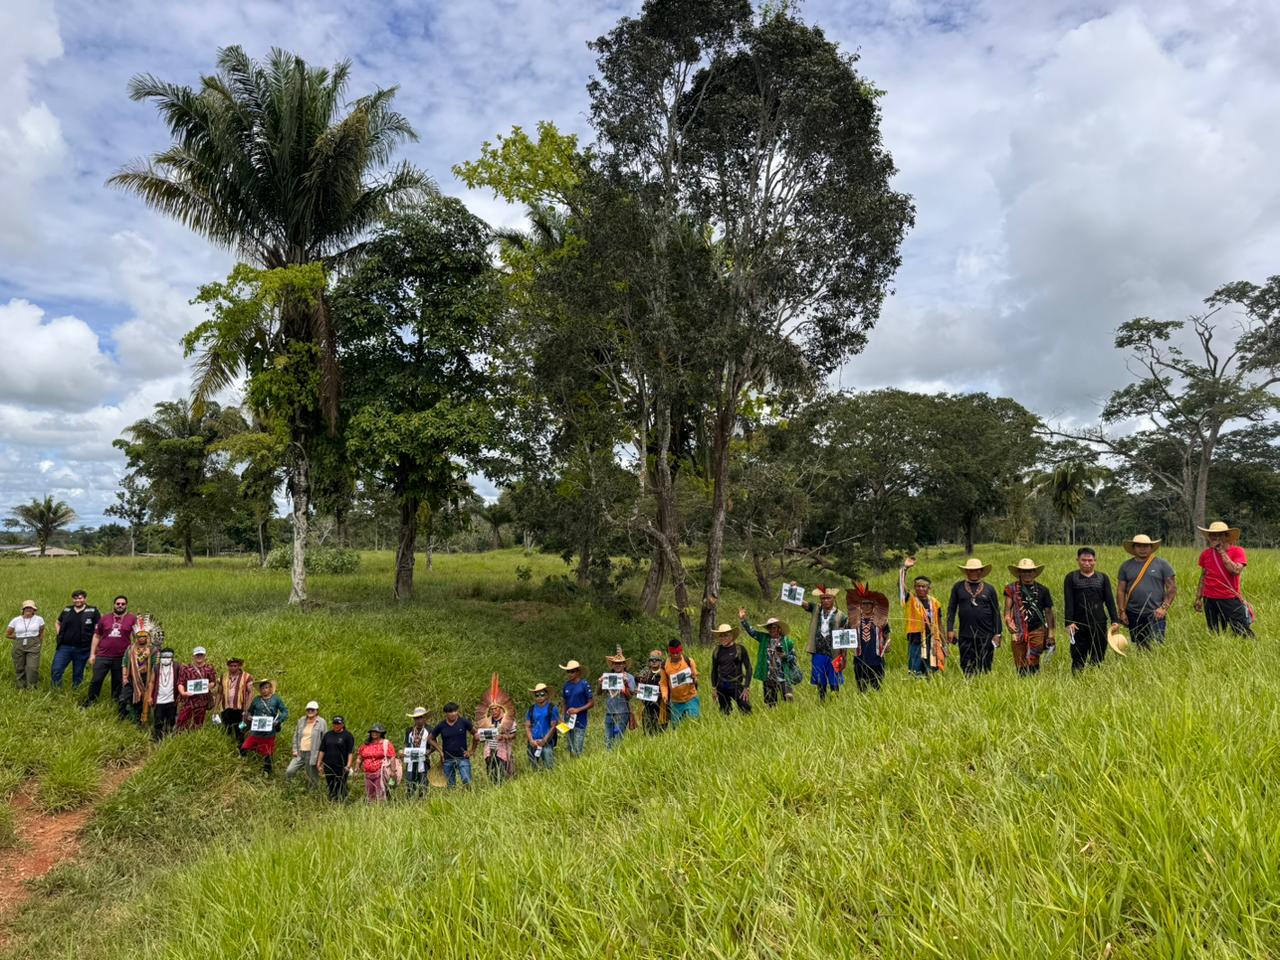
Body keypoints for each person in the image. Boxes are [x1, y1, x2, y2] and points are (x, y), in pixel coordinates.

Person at [1062, 548, 1121, 671]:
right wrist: (1069, 622)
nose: (1087, 563)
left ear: (1095, 561)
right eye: (1083, 560)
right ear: (1078, 560)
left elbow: (1109, 601)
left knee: (1098, 654)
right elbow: (1069, 601)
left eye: (1090, 560)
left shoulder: (1103, 578)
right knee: (1078, 655)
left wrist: (1115, 620)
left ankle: (1095, 677)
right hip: (1078, 624)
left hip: (1099, 622)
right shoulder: (1071, 577)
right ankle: (1077, 679)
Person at [1116, 535, 1176, 648]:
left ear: (1151, 547)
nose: (1142, 549)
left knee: (1157, 644)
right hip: (1133, 612)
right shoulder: (1126, 566)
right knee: (1140, 645)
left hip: (1156, 613)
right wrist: (1122, 611)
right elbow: (1121, 590)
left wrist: (1164, 608)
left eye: (1145, 546)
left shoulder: (1162, 564)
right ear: (1133, 548)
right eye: (1139, 546)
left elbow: (1172, 588)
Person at [1195, 521, 1254, 637]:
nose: (1214, 537)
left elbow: (1235, 571)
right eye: (1212, 535)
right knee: (1215, 632)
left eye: (1218, 535)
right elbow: (1203, 576)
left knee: (1242, 631)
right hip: (1209, 598)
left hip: (1229, 598)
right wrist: (1198, 598)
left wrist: (1221, 551)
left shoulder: (1237, 551)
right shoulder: (1205, 554)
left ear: (1226, 536)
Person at [946, 558, 1002, 676]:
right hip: (965, 634)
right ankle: (969, 688)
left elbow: (996, 612)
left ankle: (984, 687)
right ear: (966, 572)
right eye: (971, 571)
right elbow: (951, 609)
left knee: (985, 665)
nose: (974, 573)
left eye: (977, 570)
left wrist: (998, 634)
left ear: (981, 571)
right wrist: (950, 629)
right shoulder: (958, 587)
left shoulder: (989, 589)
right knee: (966, 665)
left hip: (986, 634)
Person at [796, 583, 848, 700]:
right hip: (818, 651)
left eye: (828, 598)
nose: (825, 601)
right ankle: (822, 701)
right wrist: (793, 589)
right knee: (820, 680)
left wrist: (844, 657)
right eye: (823, 598)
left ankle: (835, 702)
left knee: (834, 681)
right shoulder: (816, 609)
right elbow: (802, 603)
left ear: (834, 599)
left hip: (834, 653)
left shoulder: (841, 616)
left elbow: (845, 638)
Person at [1004, 558, 1056, 675]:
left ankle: (1034, 682)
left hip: (1037, 629)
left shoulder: (1043, 590)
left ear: (1034, 572)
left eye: (1030, 571)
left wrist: (1051, 633)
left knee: (1034, 659)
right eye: (1024, 571)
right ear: (1019, 572)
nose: (1027, 574)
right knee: (1020, 661)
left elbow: (1049, 612)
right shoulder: (1011, 589)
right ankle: (1022, 685)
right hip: (1018, 630)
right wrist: (1008, 622)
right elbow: (1007, 611)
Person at [84, 595, 136, 709]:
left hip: (121, 657)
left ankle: (116, 703)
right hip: (103, 655)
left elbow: (134, 637)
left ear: (126, 605)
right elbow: (97, 635)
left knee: (117, 682)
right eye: (118, 603)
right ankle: (90, 702)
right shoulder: (105, 618)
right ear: (114, 605)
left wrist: (132, 655)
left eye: (123, 604)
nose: (120, 606)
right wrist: (92, 654)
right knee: (96, 680)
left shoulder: (132, 619)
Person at [738, 611, 798, 706]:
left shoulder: (787, 642)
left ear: (779, 629)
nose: (771, 629)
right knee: (770, 703)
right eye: (769, 627)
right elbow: (752, 632)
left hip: (783, 677)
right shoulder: (764, 638)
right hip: (768, 675)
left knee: (788, 701)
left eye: (774, 627)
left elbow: (794, 658)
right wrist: (743, 620)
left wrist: (785, 656)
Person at [900, 559, 945, 677]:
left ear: (929, 588)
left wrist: (944, 643)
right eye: (918, 586)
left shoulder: (935, 603)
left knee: (932, 669)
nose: (920, 589)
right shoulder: (911, 599)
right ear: (914, 588)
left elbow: (940, 623)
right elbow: (900, 586)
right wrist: (905, 569)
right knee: (915, 669)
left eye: (923, 586)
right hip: (916, 639)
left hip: (933, 639)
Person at [52, 590, 99, 689]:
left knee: (78, 674)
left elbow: (98, 628)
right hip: (64, 647)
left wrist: (94, 649)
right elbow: (57, 622)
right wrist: (59, 633)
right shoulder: (67, 610)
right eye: (75, 598)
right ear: (72, 599)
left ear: (85, 599)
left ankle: (75, 692)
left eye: (80, 598)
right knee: (56, 669)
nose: (78, 600)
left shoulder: (92, 610)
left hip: (82, 648)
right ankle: (56, 691)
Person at [848, 585, 891, 691]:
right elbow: (845, 638)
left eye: (869, 604)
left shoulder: (881, 620)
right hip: (860, 659)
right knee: (862, 689)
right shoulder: (853, 621)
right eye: (863, 604)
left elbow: (886, 635)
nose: (866, 606)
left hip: (876, 659)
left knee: (877, 688)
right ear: (860, 605)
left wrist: (887, 644)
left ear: (873, 605)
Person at [241, 679, 289, 775]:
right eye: (262, 688)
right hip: (256, 730)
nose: (264, 690)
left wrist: (278, 720)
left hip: (269, 731)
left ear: (270, 688)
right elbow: (250, 711)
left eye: (266, 687)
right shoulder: (256, 700)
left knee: (268, 751)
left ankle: (267, 771)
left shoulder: (276, 699)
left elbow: (285, 711)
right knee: (245, 746)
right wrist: (249, 716)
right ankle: (243, 766)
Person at [429, 703, 476, 788]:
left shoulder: (463, 722)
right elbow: (430, 739)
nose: (454, 713)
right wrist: (440, 751)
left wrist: (472, 750)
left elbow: (476, 735)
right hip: (447, 758)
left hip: (462, 757)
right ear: (446, 713)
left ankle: (468, 798)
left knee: (467, 781)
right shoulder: (441, 725)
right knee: (450, 785)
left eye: (455, 711)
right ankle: (454, 799)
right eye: (451, 711)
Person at [709, 624, 752, 715]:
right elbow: (714, 670)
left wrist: (746, 687)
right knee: (724, 712)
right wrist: (714, 688)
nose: (723, 638)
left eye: (726, 635)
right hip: (721, 685)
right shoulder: (717, 651)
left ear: (731, 636)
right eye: (721, 635)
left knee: (746, 709)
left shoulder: (740, 649)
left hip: (736, 685)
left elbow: (749, 668)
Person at [598, 647, 636, 748]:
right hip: (609, 712)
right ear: (612, 665)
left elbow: (630, 696)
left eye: (620, 663)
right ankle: (608, 761)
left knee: (618, 740)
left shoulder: (629, 677)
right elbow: (599, 693)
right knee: (607, 740)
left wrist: (626, 684)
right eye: (615, 663)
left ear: (624, 664)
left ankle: (617, 760)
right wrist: (600, 683)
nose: (618, 665)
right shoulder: (608, 677)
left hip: (622, 713)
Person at [286, 701, 327, 789]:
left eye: (312, 710)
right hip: (300, 753)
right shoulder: (301, 720)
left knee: (312, 776)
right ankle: (289, 788)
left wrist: (322, 756)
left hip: (312, 754)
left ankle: (313, 793)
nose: (310, 711)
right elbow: (296, 736)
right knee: (290, 770)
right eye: (308, 710)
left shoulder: (321, 722)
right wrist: (295, 750)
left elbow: (324, 739)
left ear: (317, 711)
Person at [176, 646, 218, 730]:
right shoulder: (187, 669)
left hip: (202, 700)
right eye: (197, 655)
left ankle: (195, 737)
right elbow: (180, 682)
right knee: (182, 720)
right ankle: (180, 736)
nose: (199, 657)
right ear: (193, 656)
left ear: (205, 656)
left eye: (201, 655)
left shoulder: (209, 669)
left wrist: (210, 686)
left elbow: (213, 682)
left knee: (198, 722)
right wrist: (183, 693)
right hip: (189, 699)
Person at [559, 660, 594, 757]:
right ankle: (572, 768)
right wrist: (563, 715)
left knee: (578, 749)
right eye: (568, 671)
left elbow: (591, 703)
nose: (570, 674)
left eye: (572, 671)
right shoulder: (566, 685)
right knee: (570, 748)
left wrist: (578, 710)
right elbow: (565, 702)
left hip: (580, 721)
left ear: (578, 672)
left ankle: (579, 768)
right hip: (568, 721)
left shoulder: (584, 684)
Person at [659, 643, 701, 726]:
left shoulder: (688, 661)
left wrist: (694, 677)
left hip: (691, 697)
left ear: (681, 651)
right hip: (676, 701)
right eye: (673, 653)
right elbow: (663, 683)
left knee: (694, 722)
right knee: (677, 726)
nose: (675, 655)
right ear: (669, 652)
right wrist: (665, 695)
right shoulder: (664, 666)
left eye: (677, 653)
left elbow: (695, 676)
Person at [477, 701, 518, 783]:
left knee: (504, 770)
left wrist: (504, 736)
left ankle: (504, 786)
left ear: (501, 708)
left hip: (503, 749)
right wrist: (483, 736)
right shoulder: (486, 721)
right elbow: (480, 737)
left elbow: (514, 735)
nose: (493, 711)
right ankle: (494, 786)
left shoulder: (508, 720)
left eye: (496, 708)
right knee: (491, 770)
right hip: (490, 750)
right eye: (491, 709)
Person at [8, 600, 45, 691]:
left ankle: (32, 688)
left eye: (31, 608)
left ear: (34, 610)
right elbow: (8, 634)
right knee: (19, 667)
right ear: (23, 609)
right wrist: (20, 637)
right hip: (19, 644)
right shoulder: (16, 620)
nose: (28, 609)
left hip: (34, 644)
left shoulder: (39, 619)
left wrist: (38, 642)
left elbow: (41, 631)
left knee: (32, 668)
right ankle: (21, 687)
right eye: (26, 608)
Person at [317, 715, 355, 802]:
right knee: (330, 784)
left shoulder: (347, 735)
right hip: (328, 764)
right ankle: (332, 801)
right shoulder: (328, 735)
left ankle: (342, 802)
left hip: (341, 765)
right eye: (334, 724)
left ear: (342, 724)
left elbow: (350, 752)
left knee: (340, 785)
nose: (336, 725)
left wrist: (348, 765)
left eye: (338, 724)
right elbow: (322, 750)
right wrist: (319, 763)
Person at [219, 658, 255, 748]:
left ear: (239, 666)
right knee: (227, 728)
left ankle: (241, 749)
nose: (233, 668)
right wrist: (216, 709)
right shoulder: (223, 676)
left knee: (240, 730)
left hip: (239, 708)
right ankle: (228, 746)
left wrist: (247, 708)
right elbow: (219, 692)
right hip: (226, 707)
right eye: (231, 666)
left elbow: (250, 693)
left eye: (235, 666)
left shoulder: (247, 677)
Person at [122, 628, 155, 724]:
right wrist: (124, 677)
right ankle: (131, 719)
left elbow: (155, 666)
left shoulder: (153, 650)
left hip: (147, 678)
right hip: (132, 679)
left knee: (144, 700)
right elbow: (125, 662)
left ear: (147, 637)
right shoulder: (130, 649)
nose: (141, 638)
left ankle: (144, 720)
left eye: (143, 636)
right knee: (128, 698)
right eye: (139, 636)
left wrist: (152, 681)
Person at [358, 725, 399, 802]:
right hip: (367, 774)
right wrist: (357, 767)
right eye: (373, 732)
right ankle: (372, 809)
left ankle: (381, 809)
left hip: (380, 772)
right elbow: (360, 757)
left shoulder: (385, 743)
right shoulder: (366, 744)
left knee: (381, 792)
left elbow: (392, 757)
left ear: (381, 733)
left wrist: (393, 771)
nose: (374, 733)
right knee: (370, 793)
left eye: (377, 732)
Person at [524, 684, 560, 770]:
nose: (539, 697)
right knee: (533, 767)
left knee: (549, 767)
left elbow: (553, 726)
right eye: (537, 695)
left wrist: (544, 741)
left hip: (547, 742)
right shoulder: (531, 709)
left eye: (542, 694)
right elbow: (527, 726)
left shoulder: (552, 708)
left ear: (547, 695)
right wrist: (531, 740)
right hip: (533, 742)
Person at [147, 647, 179, 739]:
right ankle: (157, 739)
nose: (166, 659)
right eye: (164, 656)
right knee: (158, 722)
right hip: (159, 700)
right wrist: (150, 697)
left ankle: (169, 739)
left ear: (172, 657)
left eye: (168, 656)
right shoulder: (156, 668)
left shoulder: (177, 666)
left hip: (172, 700)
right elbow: (152, 682)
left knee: (171, 721)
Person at [633, 653, 667, 734]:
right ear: (649, 662)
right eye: (652, 660)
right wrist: (638, 691)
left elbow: (667, 687)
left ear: (660, 661)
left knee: (661, 731)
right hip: (647, 706)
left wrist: (661, 694)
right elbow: (637, 682)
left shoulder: (664, 673)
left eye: (657, 660)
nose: (654, 661)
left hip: (661, 706)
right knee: (647, 730)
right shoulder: (644, 674)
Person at [403, 707, 432, 797]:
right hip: (411, 760)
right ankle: (410, 800)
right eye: (416, 718)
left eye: (421, 717)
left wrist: (429, 751)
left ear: (425, 718)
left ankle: (422, 801)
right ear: (414, 719)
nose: (419, 720)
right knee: (410, 782)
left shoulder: (430, 730)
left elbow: (434, 745)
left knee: (423, 782)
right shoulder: (409, 731)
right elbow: (406, 744)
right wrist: (403, 752)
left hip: (424, 760)